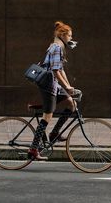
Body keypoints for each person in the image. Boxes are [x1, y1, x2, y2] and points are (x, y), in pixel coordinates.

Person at [28, 21, 82, 160]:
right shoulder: (57, 47)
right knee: (48, 115)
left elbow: (61, 70)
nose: (71, 38)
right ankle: (33, 149)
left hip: (54, 84)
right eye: (69, 36)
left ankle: (54, 134)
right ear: (63, 35)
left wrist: (69, 87)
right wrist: (67, 87)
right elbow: (56, 71)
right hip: (48, 84)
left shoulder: (57, 46)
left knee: (71, 103)